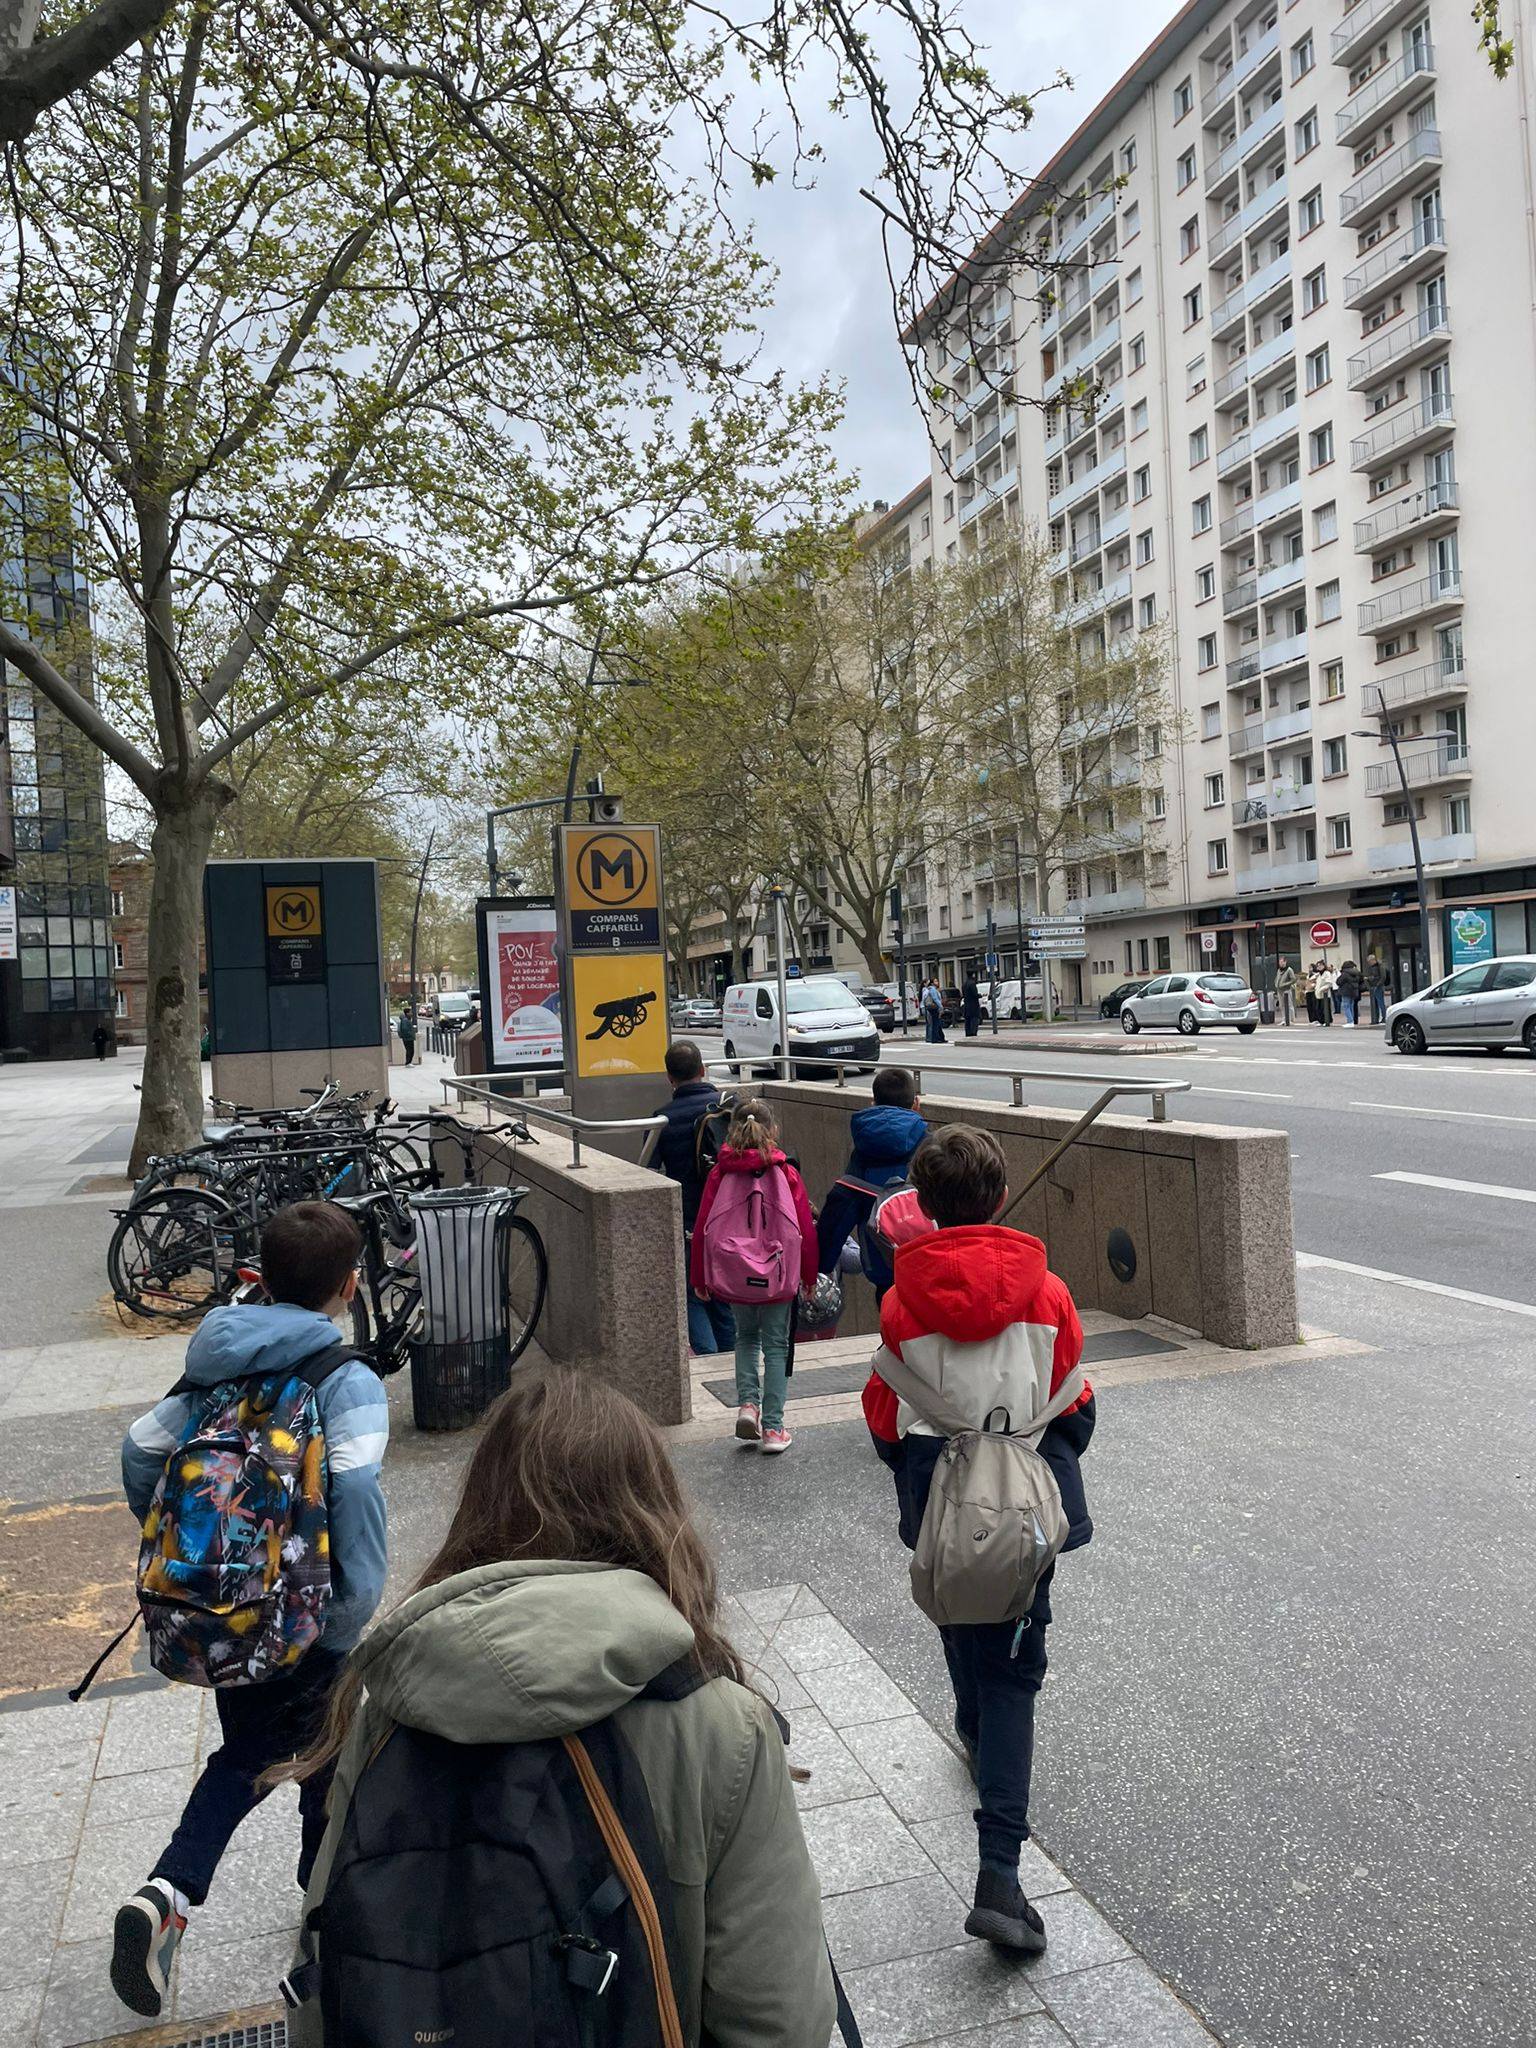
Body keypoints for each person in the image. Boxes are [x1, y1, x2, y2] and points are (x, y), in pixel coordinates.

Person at [278, 1368, 836, 2047]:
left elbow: (318, 1982)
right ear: (654, 1514)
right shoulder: (720, 1728)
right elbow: (781, 2023)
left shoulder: (394, 1700)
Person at [111, 1203, 388, 2018]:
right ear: (347, 1285)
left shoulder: (214, 1360)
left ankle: (315, 1902)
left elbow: (140, 1451)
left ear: (261, 1278)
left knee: (301, 1753)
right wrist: (353, 1610)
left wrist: (201, 1559)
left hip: (230, 1612)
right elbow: (358, 1490)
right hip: (311, 1617)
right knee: (266, 1761)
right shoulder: (346, 1378)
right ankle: (170, 1892)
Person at [861, 1126, 1093, 1957]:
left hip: (941, 1489)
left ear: (921, 1206)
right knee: (1015, 1675)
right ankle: (1000, 1875)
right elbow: (1076, 1399)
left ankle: (969, 1719)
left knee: (961, 1617)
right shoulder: (1050, 1291)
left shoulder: (898, 1302)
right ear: (1000, 1198)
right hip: (1024, 1499)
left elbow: (884, 1414)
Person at [690, 1100, 817, 1454]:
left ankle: (748, 1406)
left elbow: (704, 1229)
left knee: (745, 1338)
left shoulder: (721, 1173)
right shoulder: (787, 1172)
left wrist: (700, 1275)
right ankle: (774, 1429)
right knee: (776, 1345)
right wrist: (808, 1276)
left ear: (731, 1132)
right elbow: (804, 1227)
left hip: (734, 1271)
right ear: (772, 1131)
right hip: (778, 1271)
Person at [651, 1039, 734, 1356]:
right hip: (729, 1219)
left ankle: (707, 1361)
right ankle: (730, 1364)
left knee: (691, 1295)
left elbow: (649, 1171)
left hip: (689, 1224)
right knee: (724, 1298)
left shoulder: (662, 1118)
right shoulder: (729, 1107)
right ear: (703, 1070)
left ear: (669, 1077)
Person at [815, 1067, 928, 1299]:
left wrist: (820, 1267)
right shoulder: (931, 1146)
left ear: (872, 1103)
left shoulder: (863, 1152)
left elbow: (840, 1209)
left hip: (883, 1266)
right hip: (930, 1264)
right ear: (916, 1103)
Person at [1336, 959, 1362, 1029]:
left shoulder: (1345, 973)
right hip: (1354, 991)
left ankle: (1350, 1021)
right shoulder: (1356, 973)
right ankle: (1351, 1021)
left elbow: (1338, 981)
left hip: (1346, 991)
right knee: (1351, 1006)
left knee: (1346, 1006)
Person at [921, 978, 947, 1044]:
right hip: (933, 1007)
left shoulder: (929, 989)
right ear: (932, 983)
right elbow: (935, 999)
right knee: (936, 1022)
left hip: (930, 1007)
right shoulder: (932, 989)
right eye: (935, 981)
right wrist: (941, 1006)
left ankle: (940, 1037)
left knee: (937, 1022)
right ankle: (935, 1038)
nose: (937, 982)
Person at [1365, 952, 1388, 1025]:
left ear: (1373, 960)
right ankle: (1376, 1019)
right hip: (1373, 986)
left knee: (1380, 1003)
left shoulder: (1380, 966)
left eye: (1369, 961)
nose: (1369, 963)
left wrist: (1377, 984)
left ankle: (1384, 1017)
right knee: (1375, 1003)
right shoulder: (1373, 967)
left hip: (1378, 987)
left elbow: (1383, 977)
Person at [1275, 958, 1297, 1027]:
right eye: (1280, 962)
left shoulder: (1289, 970)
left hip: (1287, 990)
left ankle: (1291, 1019)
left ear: (1285, 962)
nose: (1281, 963)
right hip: (1279, 990)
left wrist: (1286, 984)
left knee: (1289, 1005)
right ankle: (1284, 1019)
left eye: (1282, 962)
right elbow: (1277, 978)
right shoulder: (1279, 970)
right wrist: (1276, 983)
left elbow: (1293, 979)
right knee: (1282, 1005)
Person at [1314, 961, 1336, 1027]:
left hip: (1325, 994)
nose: (1319, 967)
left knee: (1325, 1008)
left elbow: (1329, 983)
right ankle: (1321, 1021)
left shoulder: (1327, 973)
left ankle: (1328, 1020)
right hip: (1318, 994)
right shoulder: (1318, 974)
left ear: (1324, 966)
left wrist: (1322, 989)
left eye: (1321, 965)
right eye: (1318, 966)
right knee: (1319, 1008)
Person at [962, 974, 982, 1038]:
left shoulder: (964, 984)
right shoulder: (972, 984)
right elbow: (974, 994)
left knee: (967, 1020)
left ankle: (968, 1033)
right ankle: (973, 1033)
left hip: (966, 1005)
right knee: (974, 1019)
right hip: (973, 1005)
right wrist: (980, 995)